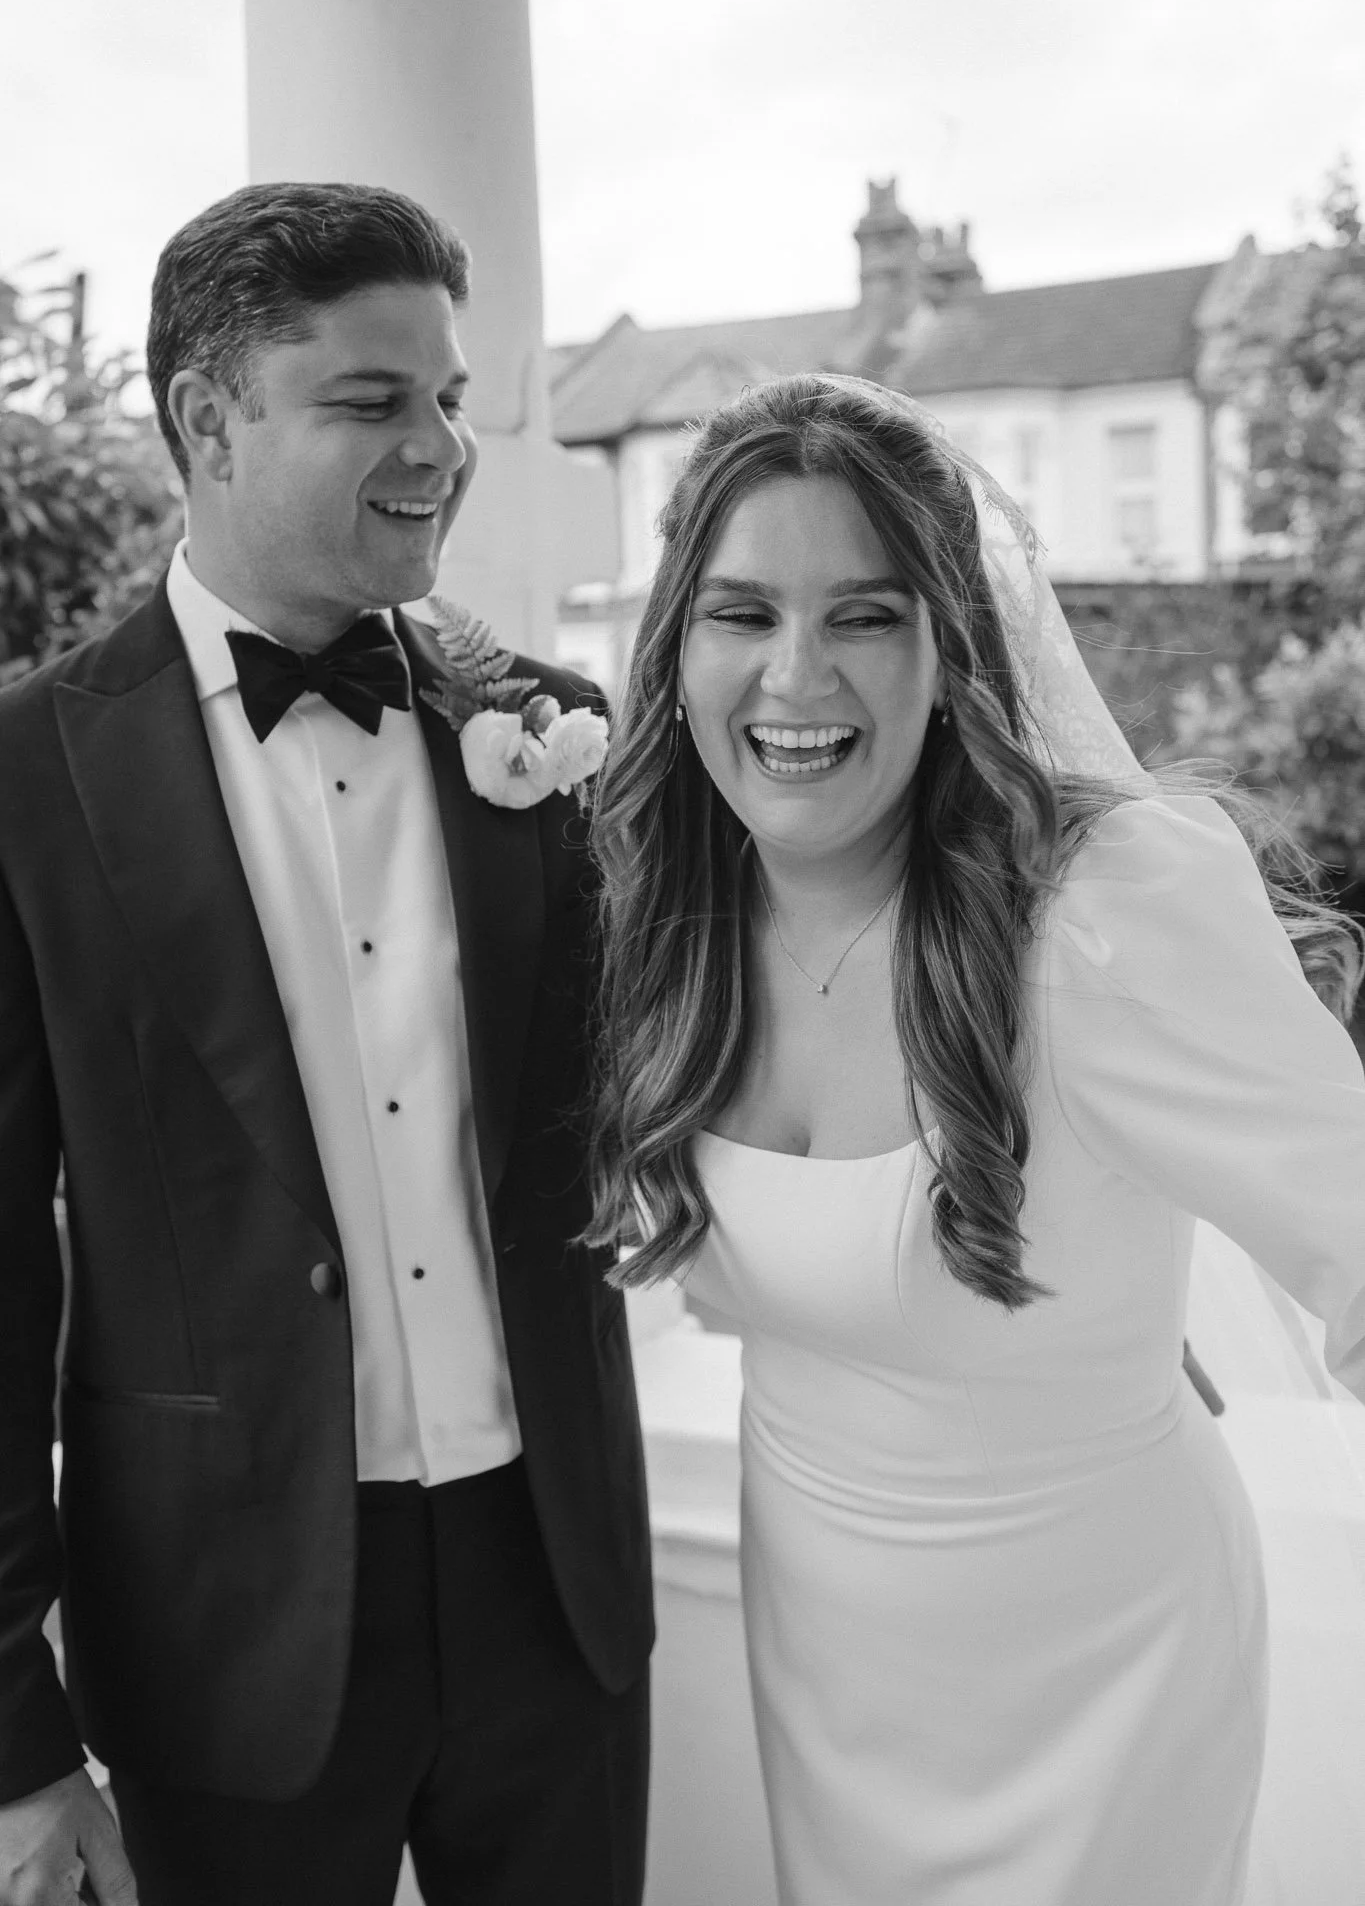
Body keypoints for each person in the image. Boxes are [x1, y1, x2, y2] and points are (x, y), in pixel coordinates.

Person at [586, 371, 1365, 1906]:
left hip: (1102, 1667)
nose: (795, 678)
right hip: (831, 1659)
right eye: (742, 614)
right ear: (675, 652)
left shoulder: (1100, 914)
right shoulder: (659, 923)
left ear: (950, 650)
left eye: (864, 616)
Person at [0, 182, 652, 1906]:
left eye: (445, 398)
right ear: (208, 424)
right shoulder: (23, 781)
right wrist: (13, 1736)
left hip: (558, 1594)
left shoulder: (539, 735)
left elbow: (702, 1039)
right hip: (228, 1639)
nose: (440, 442)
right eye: (374, 402)